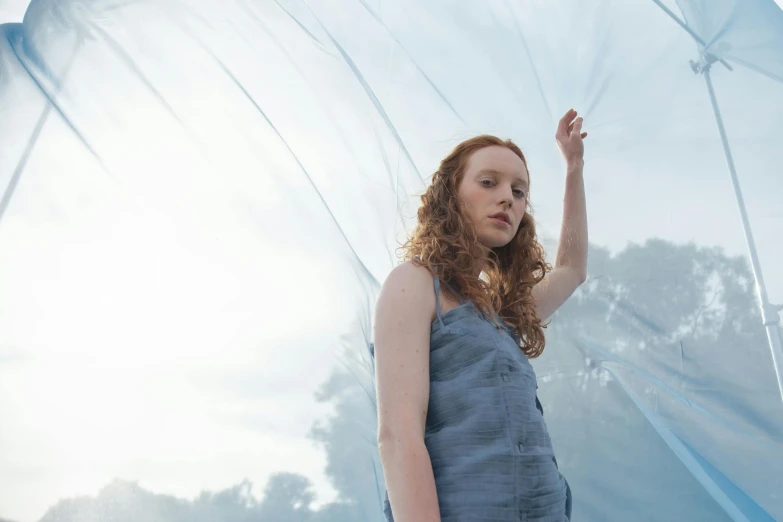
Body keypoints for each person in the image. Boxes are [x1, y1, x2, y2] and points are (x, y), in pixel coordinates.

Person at [372, 109, 588, 522]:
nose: (508, 196)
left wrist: (573, 167)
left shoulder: (501, 315)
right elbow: (398, 437)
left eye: (520, 191)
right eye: (489, 182)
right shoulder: (414, 284)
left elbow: (572, 270)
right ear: (451, 194)